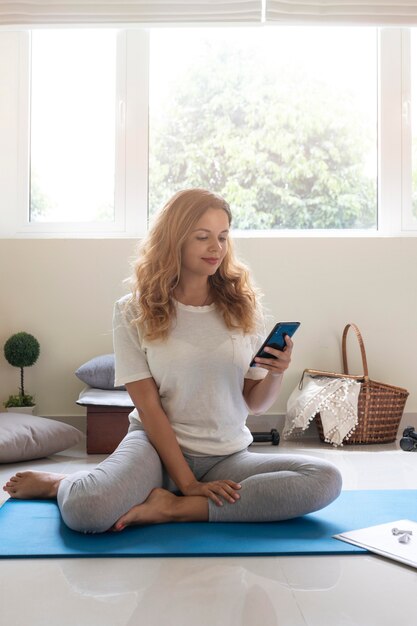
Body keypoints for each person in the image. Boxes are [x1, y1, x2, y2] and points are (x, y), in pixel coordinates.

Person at [3, 189, 342, 533]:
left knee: (325, 478)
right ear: (175, 239)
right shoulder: (132, 309)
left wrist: (275, 374)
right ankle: (61, 484)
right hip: (153, 448)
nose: (217, 248)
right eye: (202, 237)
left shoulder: (243, 306)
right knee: (86, 511)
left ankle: (174, 508)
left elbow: (254, 403)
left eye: (223, 237)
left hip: (226, 456)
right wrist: (188, 481)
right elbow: (149, 409)